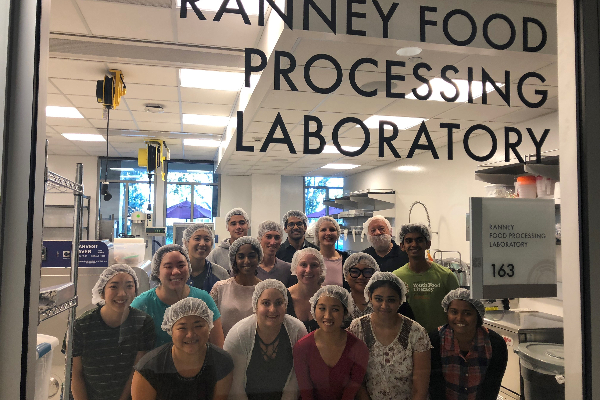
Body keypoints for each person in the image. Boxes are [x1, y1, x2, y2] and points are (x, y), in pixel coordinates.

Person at [67, 264, 155, 400]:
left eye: (129, 286)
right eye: (114, 286)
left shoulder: (143, 322)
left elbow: (136, 370)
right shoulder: (82, 325)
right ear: (102, 292)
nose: (122, 293)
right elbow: (75, 374)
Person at [348, 272, 431, 400]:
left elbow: (420, 389)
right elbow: (355, 379)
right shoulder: (357, 328)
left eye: (391, 300)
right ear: (370, 297)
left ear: (400, 300)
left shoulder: (416, 333)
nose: (384, 306)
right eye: (379, 299)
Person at [132, 298, 234, 400]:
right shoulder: (149, 368)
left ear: (209, 327)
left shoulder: (221, 362)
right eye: (182, 328)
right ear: (170, 330)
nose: (190, 335)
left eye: (198, 326)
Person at [224, 279, 307, 400]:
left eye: (279, 303)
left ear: (286, 304)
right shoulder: (239, 335)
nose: (273, 309)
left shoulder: (297, 331)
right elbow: (235, 387)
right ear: (255, 306)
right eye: (266, 303)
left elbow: (295, 380)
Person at [131, 244, 224, 348]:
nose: (175, 271)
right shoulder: (142, 305)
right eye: (168, 266)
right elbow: (132, 352)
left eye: (181, 265)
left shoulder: (203, 300)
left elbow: (218, 347)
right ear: (157, 271)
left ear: (188, 268)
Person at [429, 289, 508, 400]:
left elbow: (491, 387)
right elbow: (434, 386)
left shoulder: (495, 344)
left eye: (467, 313)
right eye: (454, 312)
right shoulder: (435, 340)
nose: (460, 318)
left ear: (478, 315)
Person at [293, 286, 369, 400]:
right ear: (314, 310)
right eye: (322, 308)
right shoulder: (302, 347)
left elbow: (351, 391)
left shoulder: (359, 348)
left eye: (335, 309)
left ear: (345, 312)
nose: (327, 316)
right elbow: (306, 392)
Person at [393, 223, 459, 333]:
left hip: (441, 339)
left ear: (428, 244)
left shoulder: (446, 276)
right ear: (402, 246)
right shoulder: (396, 278)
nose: (414, 244)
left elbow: (458, 309)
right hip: (408, 338)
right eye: (409, 241)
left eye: (419, 240)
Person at [210, 236, 262, 337]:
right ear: (234, 259)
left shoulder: (265, 290)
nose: (246, 261)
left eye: (251, 256)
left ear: (259, 258)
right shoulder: (220, 288)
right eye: (241, 257)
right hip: (224, 349)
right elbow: (210, 323)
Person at [343, 252, 415, 320]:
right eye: (355, 271)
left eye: (367, 272)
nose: (361, 277)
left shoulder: (396, 302)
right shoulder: (340, 304)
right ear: (346, 274)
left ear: (375, 274)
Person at [286, 248, 326, 333]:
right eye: (303, 265)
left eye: (314, 265)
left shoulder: (328, 297)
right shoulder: (284, 297)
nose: (308, 270)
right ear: (295, 268)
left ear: (321, 269)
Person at [183, 223, 230, 293]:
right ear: (186, 242)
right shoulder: (178, 273)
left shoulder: (220, 274)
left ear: (211, 244)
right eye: (197, 239)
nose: (202, 243)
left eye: (207, 239)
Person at [207, 208, 250, 272]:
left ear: (248, 225)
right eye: (233, 224)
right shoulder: (216, 254)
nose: (238, 227)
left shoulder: (255, 251)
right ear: (227, 227)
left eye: (242, 223)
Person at [313, 216, 349, 286]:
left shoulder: (347, 260)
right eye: (323, 230)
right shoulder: (312, 260)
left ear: (338, 233)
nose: (328, 233)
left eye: (332, 229)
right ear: (317, 234)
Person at [256, 220, 293, 287]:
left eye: (277, 238)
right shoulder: (250, 268)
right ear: (260, 239)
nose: (273, 242)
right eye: (268, 237)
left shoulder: (287, 269)